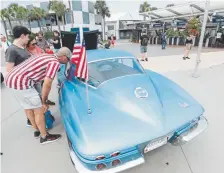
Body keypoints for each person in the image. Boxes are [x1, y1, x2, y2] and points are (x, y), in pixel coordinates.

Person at [4, 47, 72, 144]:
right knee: (39, 110)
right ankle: (44, 137)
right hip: (21, 83)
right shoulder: (54, 63)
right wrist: (44, 101)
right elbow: (47, 83)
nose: (67, 61)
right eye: (68, 59)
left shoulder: (45, 55)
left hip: (11, 80)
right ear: (64, 57)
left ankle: (37, 131)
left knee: (28, 107)